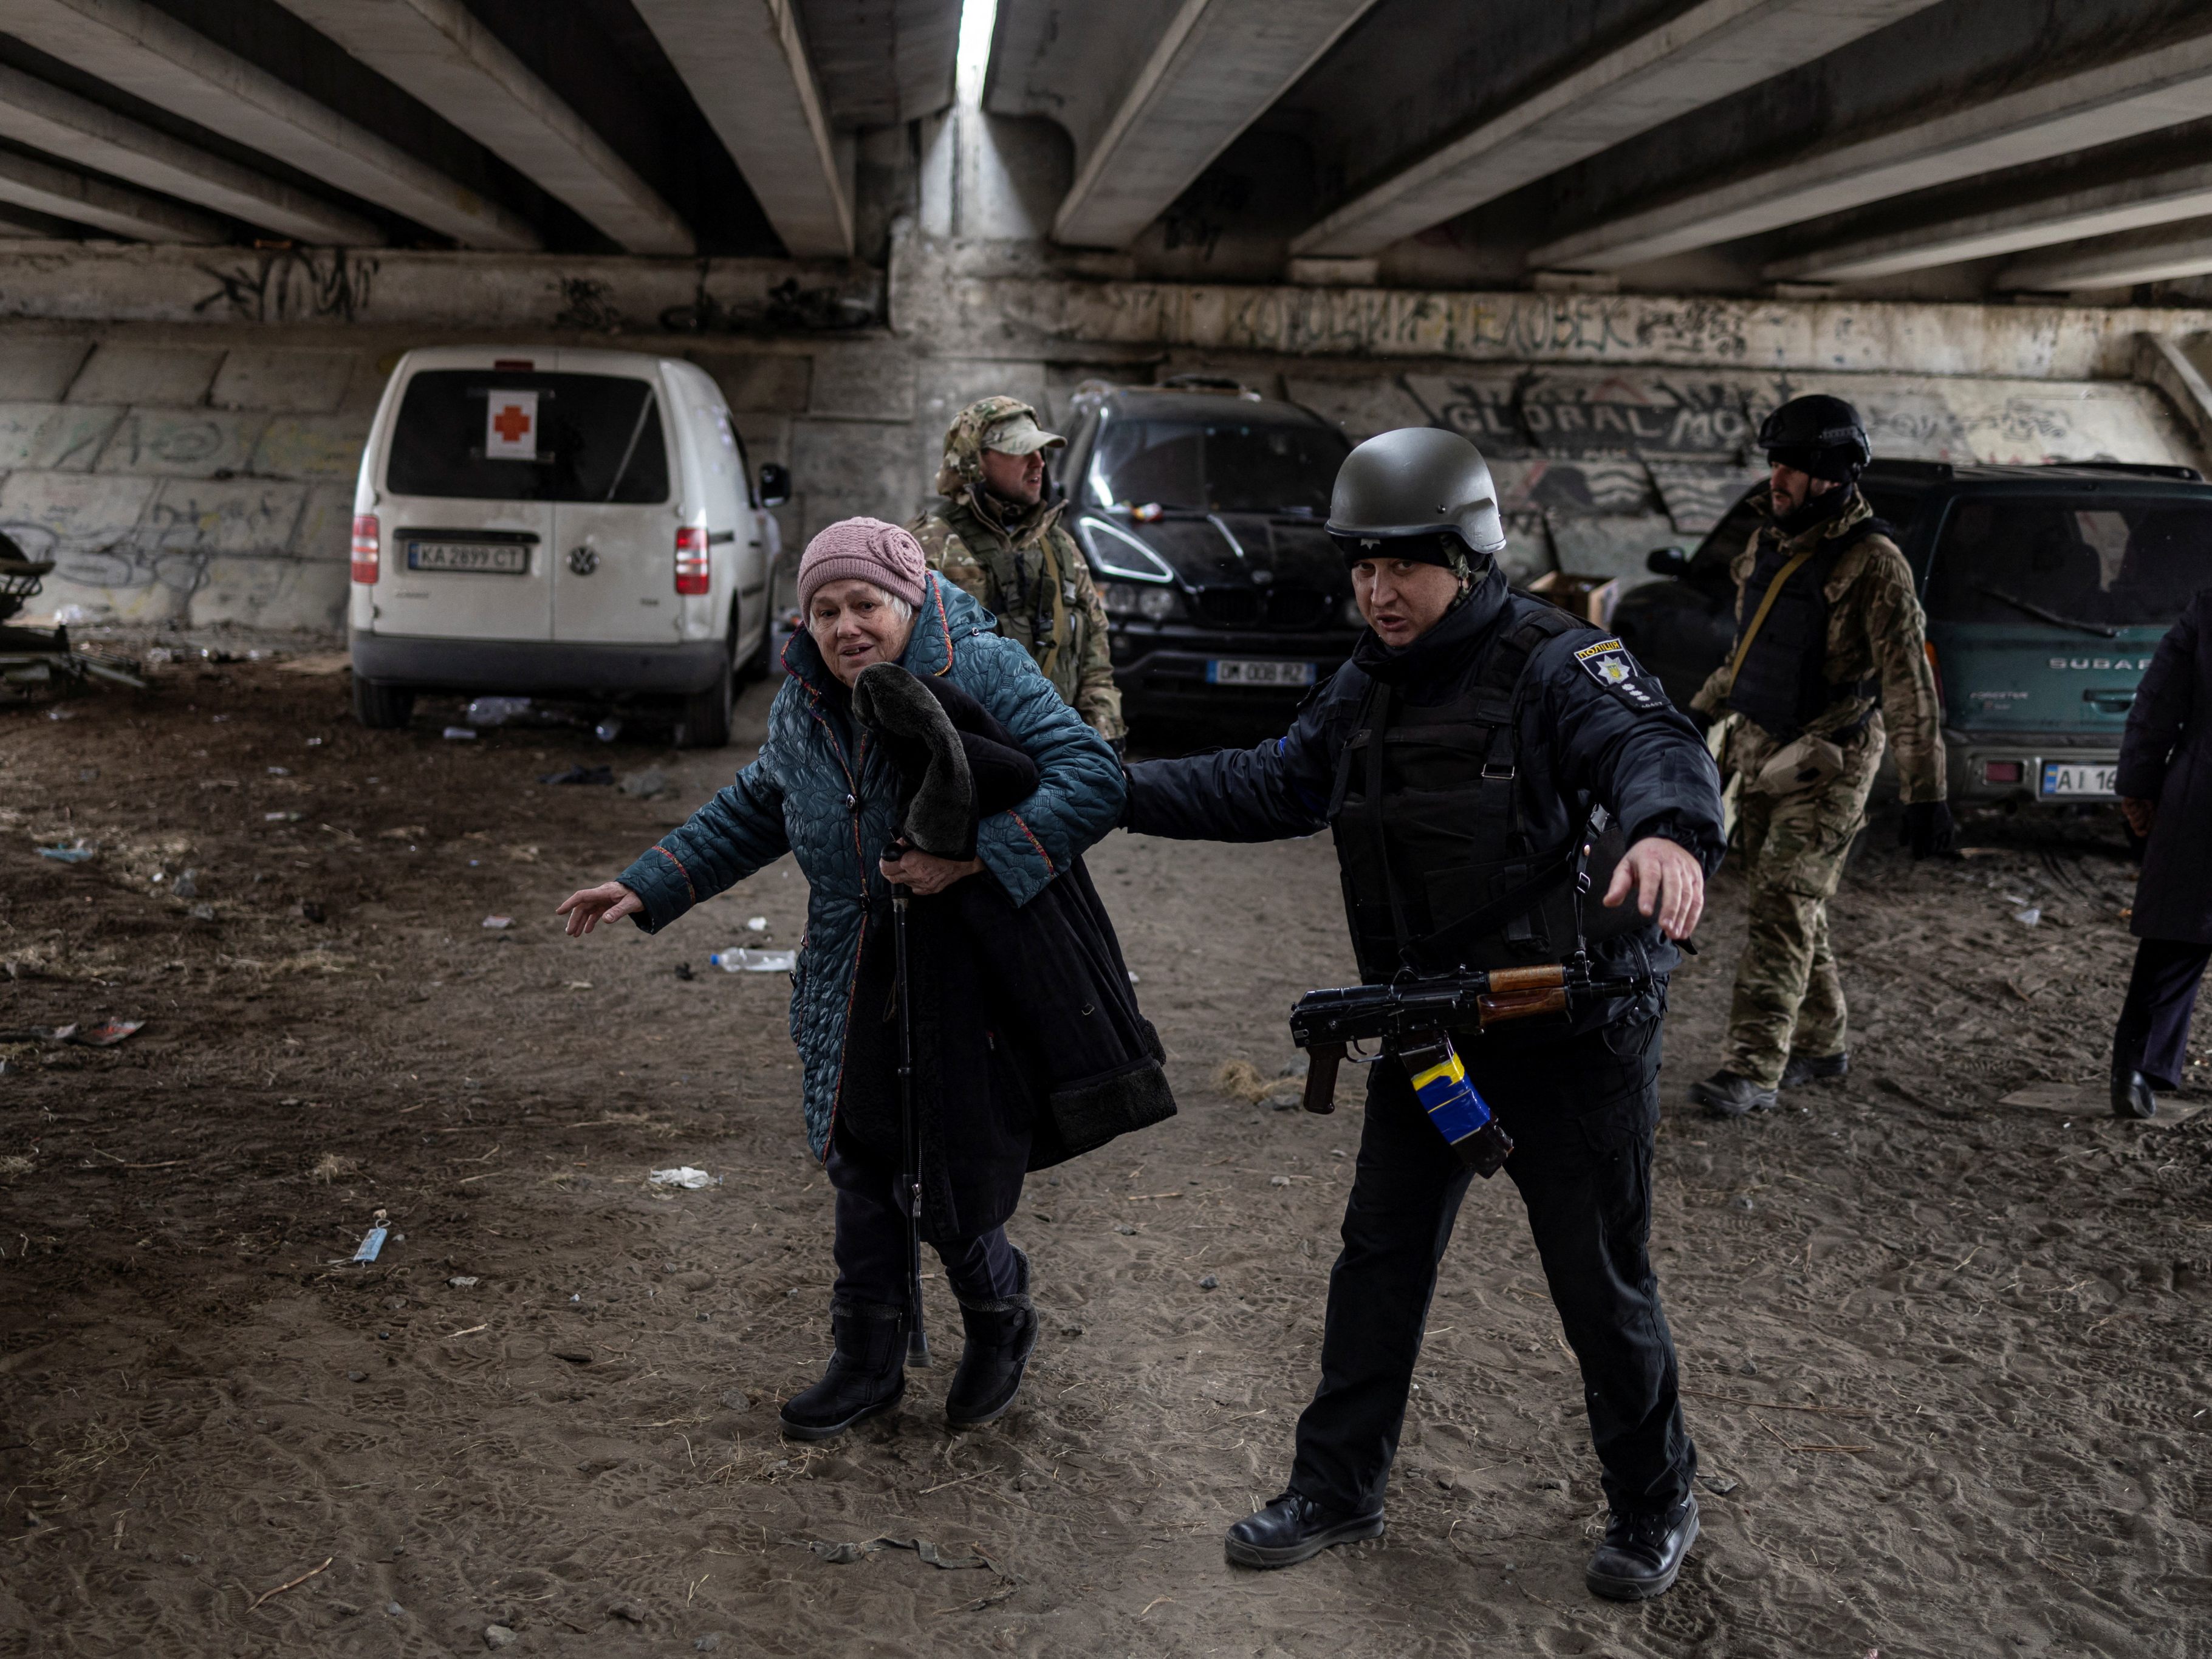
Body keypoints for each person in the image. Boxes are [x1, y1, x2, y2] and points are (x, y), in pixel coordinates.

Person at [1125, 428, 1725, 1601]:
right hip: (1429, 1028)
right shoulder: (1370, 678)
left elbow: (1657, 746)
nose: (1376, 591)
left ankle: (1656, 1502)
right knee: (1379, 1260)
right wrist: (1113, 789)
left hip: (1570, 1029)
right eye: (1361, 566)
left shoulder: (1558, 662)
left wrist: (1666, 833)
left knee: (1597, 1281)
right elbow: (1278, 783)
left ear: (1468, 554)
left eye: (1402, 566)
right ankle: (1337, 1485)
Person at [556, 518, 1160, 1440]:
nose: (846, 626)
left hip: (957, 950)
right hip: (851, 954)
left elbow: (1092, 773)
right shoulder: (804, 696)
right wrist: (645, 884)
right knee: (859, 1154)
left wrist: (975, 858)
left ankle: (999, 1310)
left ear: (909, 601)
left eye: (866, 604)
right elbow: (765, 798)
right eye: (826, 609)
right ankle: (865, 1361)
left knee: (939, 1158)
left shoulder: (980, 665)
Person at [1686, 395, 1951, 1119]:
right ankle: (1822, 1040)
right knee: (1794, 900)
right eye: (1774, 463)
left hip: (1830, 759)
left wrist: (1928, 794)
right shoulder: (1767, 545)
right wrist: (1700, 710)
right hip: (1760, 748)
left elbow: (1908, 688)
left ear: (1832, 472)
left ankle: (1753, 1066)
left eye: (1793, 466)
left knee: (1781, 901)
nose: (1777, 478)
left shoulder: (1875, 566)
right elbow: (1748, 653)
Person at [909, 395, 1127, 748]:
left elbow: (1094, 657)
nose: (1038, 462)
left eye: (1041, 450)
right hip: (971, 756)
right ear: (974, 463)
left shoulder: (1061, 547)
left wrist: (1105, 735)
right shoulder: (926, 547)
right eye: (1020, 451)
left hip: (1057, 750)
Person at [2112, 585, 2212, 1118]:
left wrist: (2138, 784)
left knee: (2176, 934)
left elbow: (2158, 701)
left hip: (2200, 792)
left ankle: (2134, 1069)